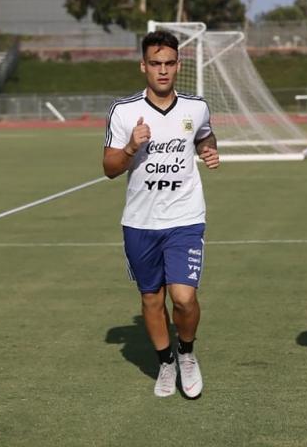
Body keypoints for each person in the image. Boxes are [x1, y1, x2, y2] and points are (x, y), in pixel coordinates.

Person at [103, 30, 220, 398]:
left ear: (178, 65)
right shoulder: (123, 111)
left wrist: (208, 149)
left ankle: (186, 353)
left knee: (183, 297)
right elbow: (109, 168)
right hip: (140, 222)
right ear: (144, 66)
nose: (163, 70)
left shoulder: (196, 107)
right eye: (156, 63)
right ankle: (166, 362)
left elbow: (204, 135)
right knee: (152, 299)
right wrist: (130, 147)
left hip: (185, 217)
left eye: (169, 63)